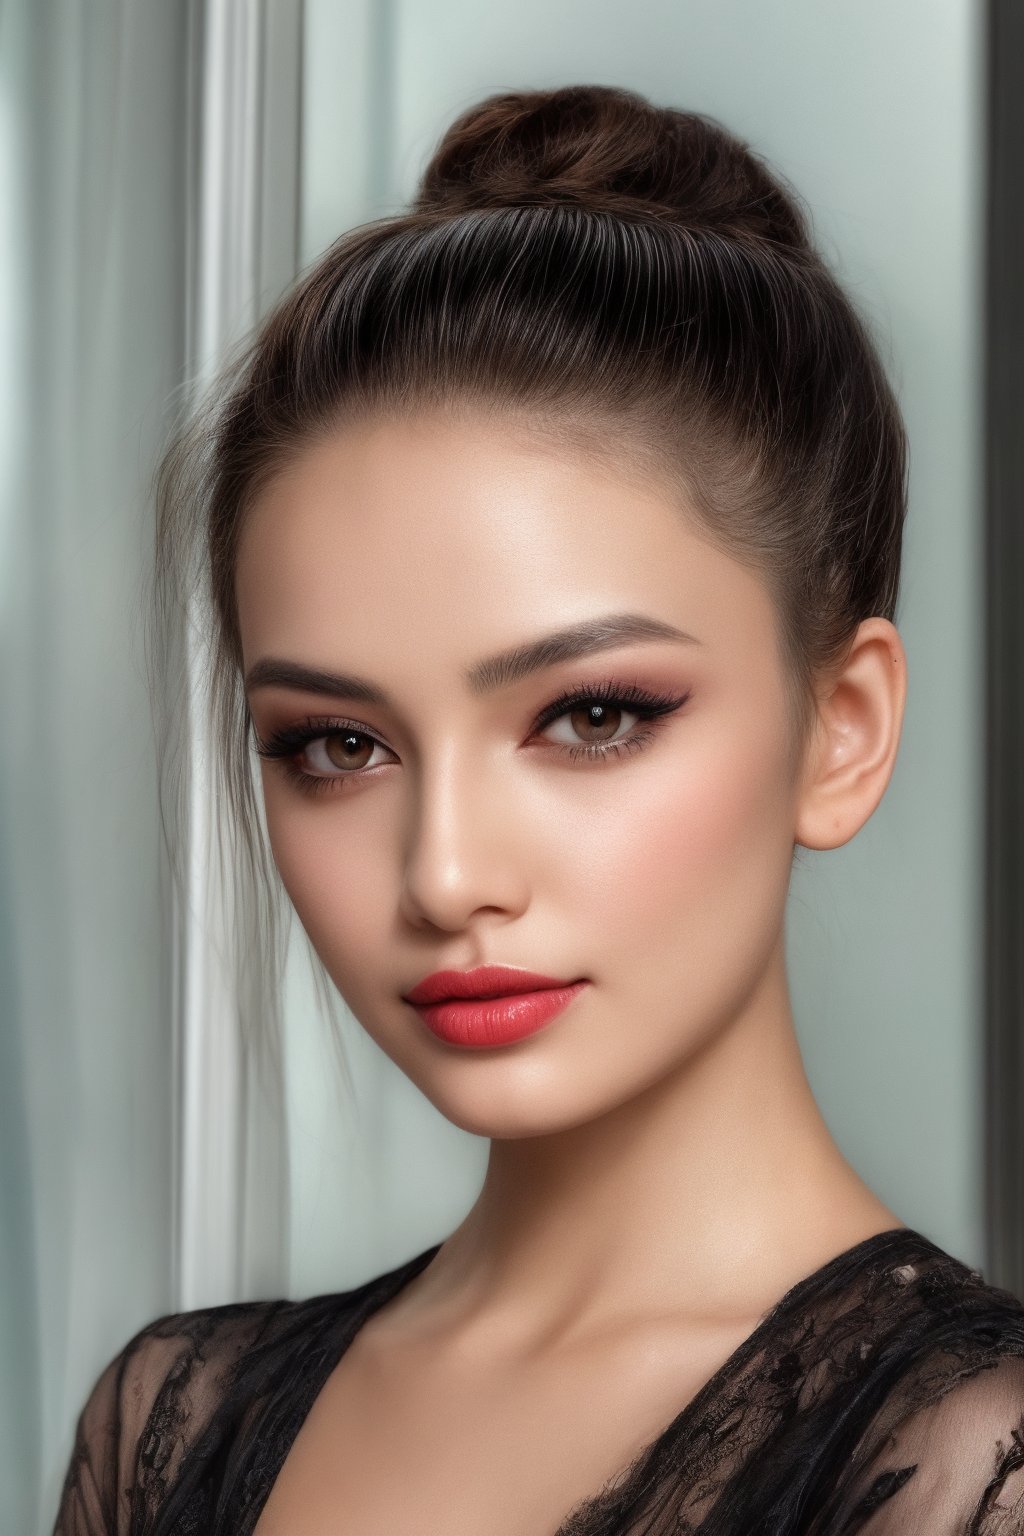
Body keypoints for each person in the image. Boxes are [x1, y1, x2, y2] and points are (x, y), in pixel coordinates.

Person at [53, 84, 1024, 1536]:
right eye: (336, 746)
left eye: (591, 717)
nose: (443, 873)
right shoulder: (165, 1429)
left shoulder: (971, 1465)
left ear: (843, 729)